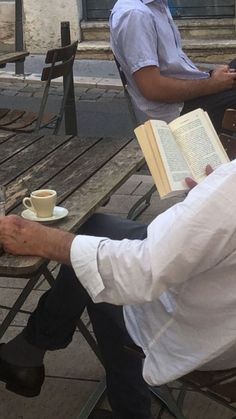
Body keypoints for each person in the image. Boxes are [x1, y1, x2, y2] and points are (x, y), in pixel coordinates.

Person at [0, 161, 236, 419]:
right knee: (93, 231)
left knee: (96, 272)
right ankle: (29, 350)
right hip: (219, 301)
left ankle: (129, 411)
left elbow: (142, 273)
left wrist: (43, 240)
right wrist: (211, 202)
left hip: (204, 336)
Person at [109, 0, 236, 132]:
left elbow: (175, 67)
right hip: (176, 111)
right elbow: (153, 89)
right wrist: (212, 84)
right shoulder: (135, 15)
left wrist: (210, 76)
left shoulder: (157, 6)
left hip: (183, 97)